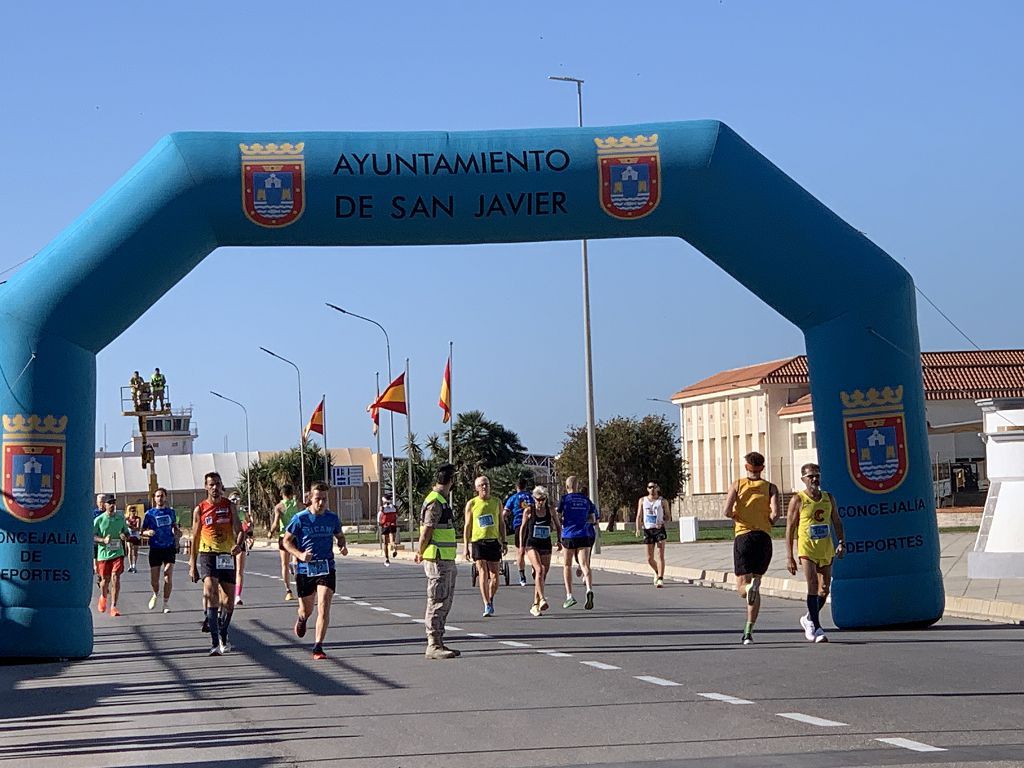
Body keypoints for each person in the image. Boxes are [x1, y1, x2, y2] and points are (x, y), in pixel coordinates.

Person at [283, 481, 348, 660]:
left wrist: (342, 546)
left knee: (324, 606)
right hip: (305, 569)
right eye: (318, 499)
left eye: (324, 500)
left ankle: (318, 646)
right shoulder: (300, 518)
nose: (321, 503)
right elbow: (286, 541)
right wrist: (300, 554)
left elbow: (340, 536)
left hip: (326, 566)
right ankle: (302, 619)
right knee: (306, 610)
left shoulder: (332, 518)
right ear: (310, 499)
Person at [722, 451, 780, 645]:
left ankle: (749, 587)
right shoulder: (771, 487)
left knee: (741, 587)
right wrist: (765, 521)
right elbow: (776, 515)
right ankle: (748, 630)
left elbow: (726, 511)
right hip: (763, 538)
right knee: (757, 583)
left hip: (743, 537)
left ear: (747, 467)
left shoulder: (738, 484)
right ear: (762, 468)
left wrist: (737, 516)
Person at [786, 463, 845, 643]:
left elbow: (836, 521)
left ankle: (809, 618)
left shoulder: (828, 498)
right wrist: (789, 556)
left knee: (825, 588)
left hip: (825, 547)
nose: (814, 479)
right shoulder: (798, 499)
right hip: (807, 547)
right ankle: (817, 627)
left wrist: (841, 542)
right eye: (810, 476)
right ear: (803, 479)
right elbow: (790, 528)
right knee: (812, 584)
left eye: (817, 475)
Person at [189, 472, 245, 656]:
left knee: (228, 601)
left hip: (227, 555)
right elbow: (195, 537)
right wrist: (192, 564)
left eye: (218, 484)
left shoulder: (229, 506)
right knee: (210, 590)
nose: (215, 487)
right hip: (208, 554)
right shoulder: (200, 509)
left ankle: (223, 630)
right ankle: (214, 642)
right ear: (206, 487)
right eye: (211, 484)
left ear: (222, 486)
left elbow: (239, 529)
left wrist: (238, 544)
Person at [414, 463, 460, 659]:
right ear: (451, 480)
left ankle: (439, 641)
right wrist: (420, 551)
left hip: (445, 558)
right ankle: (433, 643)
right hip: (437, 558)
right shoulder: (435, 501)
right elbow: (427, 530)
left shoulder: (441, 500)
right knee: (437, 600)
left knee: (444, 601)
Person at [464, 475, 506, 617]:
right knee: (483, 572)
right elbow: (467, 525)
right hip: (478, 541)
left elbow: (501, 522)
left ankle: (490, 597)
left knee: (495, 576)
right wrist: (466, 546)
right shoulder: (472, 503)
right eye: (481, 485)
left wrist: (504, 540)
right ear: (476, 488)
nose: (484, 487)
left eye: (486, 484)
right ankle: (486, 604)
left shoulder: (496, 502)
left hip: (493, 541)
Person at [557, 476, 597, 610]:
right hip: (583, 534)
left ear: (567, 487)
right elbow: (592, 519)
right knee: (585, 564)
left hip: (568, 534)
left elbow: (558, 516)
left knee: (567, 565)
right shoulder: (586, 500)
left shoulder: (564, 499)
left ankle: (569, 596)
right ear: (577, 486)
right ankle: (589, 589)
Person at [521, 485, 560, 616]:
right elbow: (522, 528)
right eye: (538, 499)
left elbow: (558, 526)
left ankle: (535, 603)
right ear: (534, 499)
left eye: (542, 499)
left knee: (542, 575)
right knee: (539, 569)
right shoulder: (529, 511)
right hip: (532, 544)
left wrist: (559, 541)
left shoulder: (550, 510)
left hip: (545, 544)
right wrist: (521, 546)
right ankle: (542, 599)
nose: (540, 502)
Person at [143, 488, 180, 612]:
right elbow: (142, 531)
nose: (160, 498)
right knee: (155, 579)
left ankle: (166, 603)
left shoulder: (171, 512)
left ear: (166, 497)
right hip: (155, 548)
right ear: (154, 498)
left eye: (162, 496)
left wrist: (177, 532)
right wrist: (147, 532)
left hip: (169, 547)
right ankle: (155, 593)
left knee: (167, 575)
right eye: (158, 496)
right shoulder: (149, 514)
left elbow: (174, 526)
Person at [93, 494, 129, 617]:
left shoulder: (120, 518)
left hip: (117, 552)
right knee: (105, 580)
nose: (112, 505)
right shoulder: (99, 520)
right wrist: (103, 540)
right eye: (110, 503)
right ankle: (103, 596)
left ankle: (114, 606)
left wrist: (125, 536)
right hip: (103, 554)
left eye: (114, 503)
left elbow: (126, 532)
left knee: (115, 577)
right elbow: (92, 536)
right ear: (105, 505)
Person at [503, 475, 535, 586]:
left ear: (517, 487)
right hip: (531, 525)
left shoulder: (513, 498)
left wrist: (503, 522)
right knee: (532, 549)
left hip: (518, 524)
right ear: (525, 486)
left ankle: (522, 576)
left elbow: (505, 513)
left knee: (520, 551)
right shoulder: (531, 497)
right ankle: (534, 568)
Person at [269, 483, 299, 600]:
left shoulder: (279, 507)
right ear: (292, 493)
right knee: (296, 561)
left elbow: (276, 523)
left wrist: (270, 532)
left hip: (284, 536)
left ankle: (288, 590)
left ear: (282, 494)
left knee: (284, 564)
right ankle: (298, 580)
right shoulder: (297, 505)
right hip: (296, 535)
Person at [635, 481, 668, 587]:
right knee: (649, 558)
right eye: (650, 487)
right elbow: (639, 516)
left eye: (654, 487)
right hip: (648, 530)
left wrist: (663, 520)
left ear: (657, 488)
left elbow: (668, 515)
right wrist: (638, 529)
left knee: (660, 555)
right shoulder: (642, 500)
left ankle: (660, 578)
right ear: (647, 489)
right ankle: (657, 571)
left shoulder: (662, 501)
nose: (652, 489)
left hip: (659, 529)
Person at [230, 492, 251, 605]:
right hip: (228, 543)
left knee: (239, 570)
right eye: (233, 499)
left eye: (237, 499)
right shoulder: (227, 512)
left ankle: (237, 595)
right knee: (228, 571)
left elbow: (248, 527)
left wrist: (248, 529)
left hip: (240, 543)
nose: (235, 501)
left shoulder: (243, 513)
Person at [378, 494, 399, 567]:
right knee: (392, 541)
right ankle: (394, 549)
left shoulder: (382, 508)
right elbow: (397, 516)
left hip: (385, 526)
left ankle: (387, 558)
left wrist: (380, 524)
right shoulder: (394, 508)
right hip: (392, 525)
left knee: (385, 543)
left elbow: (379, 517)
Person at [125, 504, 143, 573]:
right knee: (129, 549)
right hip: (129, 536)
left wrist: (132, 527)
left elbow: (138, 528)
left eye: (134, 511)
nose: (133, 512)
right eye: (132, 511)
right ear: (129, 512)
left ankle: (134, 565)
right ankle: (130, 565)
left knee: (135, 551)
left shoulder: (138, 518)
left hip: (136, 536)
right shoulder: (127, 519)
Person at [92, 493, 105, 586]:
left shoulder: (108, 513)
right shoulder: (93, 514)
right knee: (96, 566)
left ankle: (103, 580)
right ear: (97, 503)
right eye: (100, 502)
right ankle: (99, 577)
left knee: (104, 563)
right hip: (95, 542)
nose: (102, 504)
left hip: (105, 542)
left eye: (104, 502)